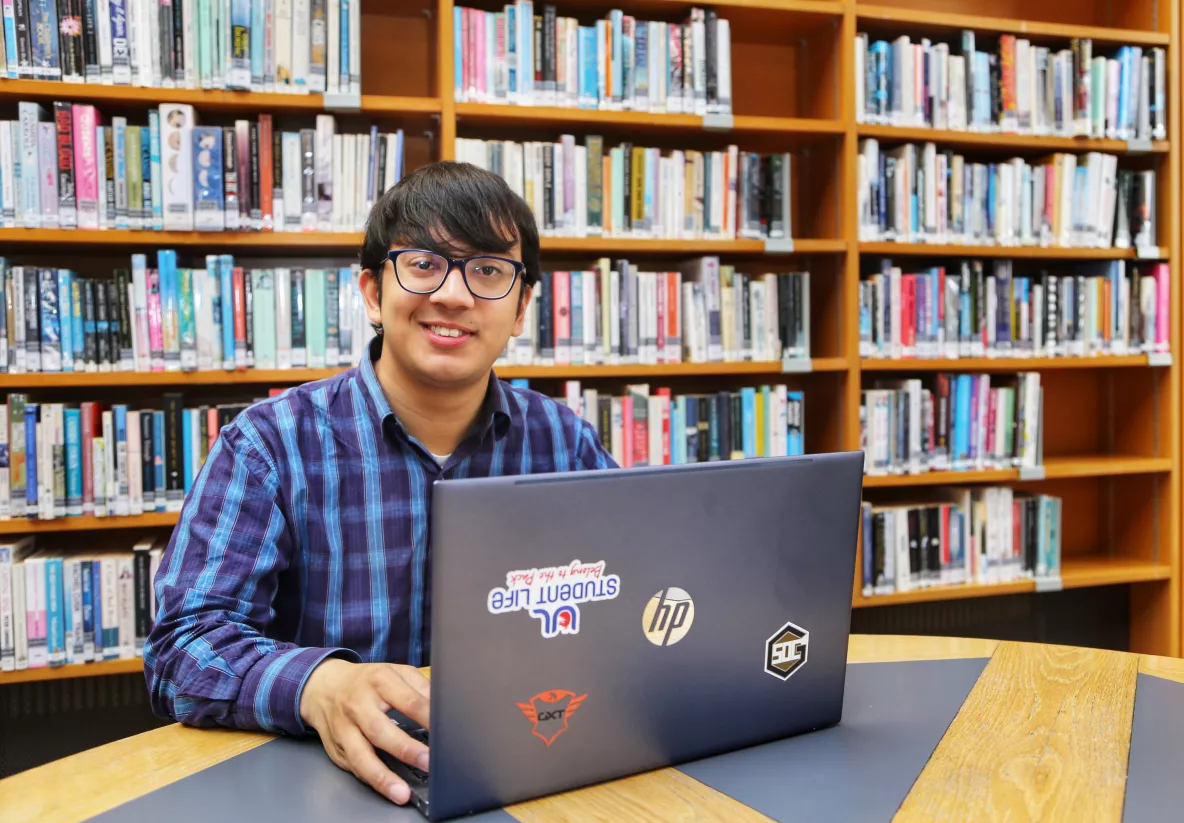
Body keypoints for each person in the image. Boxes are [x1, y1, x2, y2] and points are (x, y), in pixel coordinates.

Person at [143, 161, 618, 805]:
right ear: (372, 290)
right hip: (321, 788)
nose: (454, 295)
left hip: (527, 768)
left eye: (488, 270)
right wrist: (317, 686)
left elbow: (626, 611)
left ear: (523, 305)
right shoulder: (269, 444)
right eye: (424, 263)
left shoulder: (565, 443)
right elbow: (182, 646)